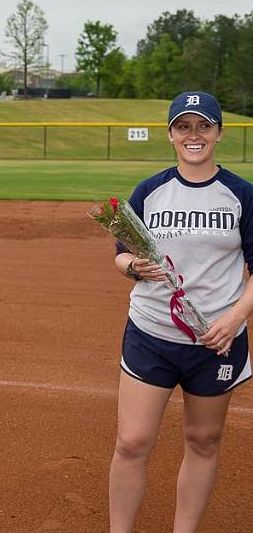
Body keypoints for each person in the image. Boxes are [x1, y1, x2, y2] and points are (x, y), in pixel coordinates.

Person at [109, 91, 253, 532]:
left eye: (203, 126)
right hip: (151, 333)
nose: (194, 135)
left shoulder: (242, 195)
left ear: (218, 133)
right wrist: (134, 266)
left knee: (204, 441)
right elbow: (120, 254)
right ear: (171, 134)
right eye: (184, 126)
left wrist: (234, 319)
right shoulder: (149, 191)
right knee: (132, 442)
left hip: (217, 341)